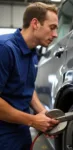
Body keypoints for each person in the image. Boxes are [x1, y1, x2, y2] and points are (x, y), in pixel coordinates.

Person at [0, 2, 59, 150]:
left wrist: (44, 114)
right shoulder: (5, 49)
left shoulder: (32, 54)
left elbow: (26, 88)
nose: (55, 35)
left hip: (21, 129)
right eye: (51, 28)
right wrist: (33, 120)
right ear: (35, 23)